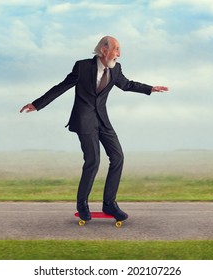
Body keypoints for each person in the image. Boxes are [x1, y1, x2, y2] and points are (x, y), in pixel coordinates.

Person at [20, 36, 168, 222]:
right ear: (104, 50)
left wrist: (150, 88)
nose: (119, 54)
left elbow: (126, 84)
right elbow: (61, 87)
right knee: (93, 161)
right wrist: (37, 104)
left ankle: (109, 204)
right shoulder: (82, 67)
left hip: (103, 121)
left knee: (118, 157)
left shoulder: (116, 69)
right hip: (84, 121)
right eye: (116, 49)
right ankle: (82, 204)